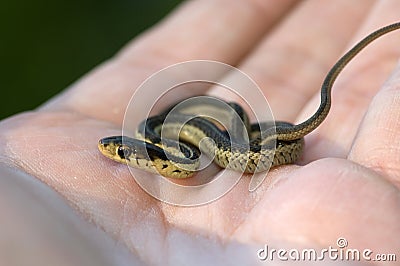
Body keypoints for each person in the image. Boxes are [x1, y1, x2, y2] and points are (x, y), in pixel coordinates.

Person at [0, 1, 399, 265]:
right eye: (121, 152)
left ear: (146, 155)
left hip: (238, 140)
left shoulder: (184, 154)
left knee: (273, 134)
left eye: (122, 153)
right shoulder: (166, 147)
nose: (116, 154)